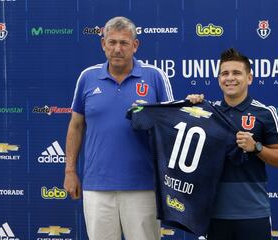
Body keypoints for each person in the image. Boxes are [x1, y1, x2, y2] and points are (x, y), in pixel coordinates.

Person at [63, 16, 174, 240]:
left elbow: (173, 125)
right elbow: (75, 127)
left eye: (124, 43)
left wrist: (151, 118)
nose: (117, 49)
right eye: (111, 42)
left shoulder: (155, 77)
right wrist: (70, 171)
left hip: (144, 186)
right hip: (97, 186)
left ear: (135, 45)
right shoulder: (87, 77)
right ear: (103, 44)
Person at [188, 48, 278, 240]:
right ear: (218, 79)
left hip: (253, 213)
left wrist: (256, 147)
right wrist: (190, 106)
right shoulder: (207, 112)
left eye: (236, 73)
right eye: (224, 73)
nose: (230, 78)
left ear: (249, 78)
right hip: (213, 214)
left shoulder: (265, 113)